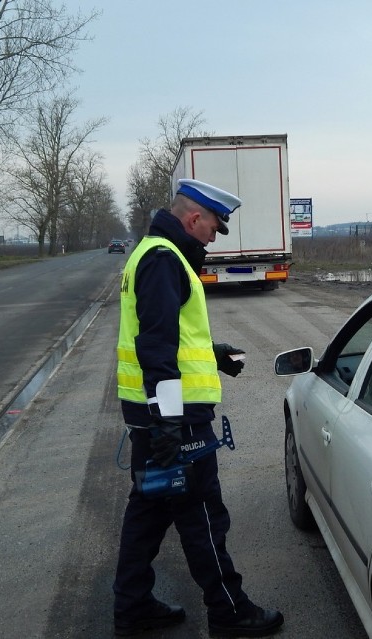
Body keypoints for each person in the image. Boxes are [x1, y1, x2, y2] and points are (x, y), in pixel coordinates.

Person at [113, 178, 285, 638]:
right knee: (202, 514)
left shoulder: (154, 253)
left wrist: (212, 352)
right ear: (194, 219)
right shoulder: (164, 260)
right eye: (213, 228)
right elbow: (155, 346)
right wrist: (168, 420)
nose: (214, 237)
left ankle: (132, 607)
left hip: (154, 416)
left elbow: (169, 333)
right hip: (176, 419)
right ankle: (230, 612)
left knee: (149, 513)